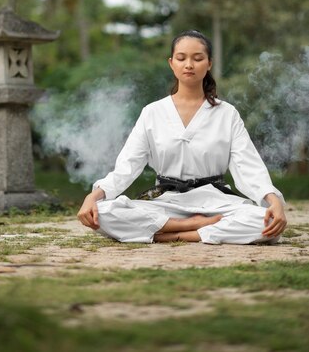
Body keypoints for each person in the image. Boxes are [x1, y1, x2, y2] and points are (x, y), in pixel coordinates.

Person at [77, 30, 287, 244]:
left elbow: (248, 166)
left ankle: (175, 235)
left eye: (197, 58)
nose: (189, 64)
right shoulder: (152, 112)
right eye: (181, 58)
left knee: (265, 221)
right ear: (171, 63)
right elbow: (127, 167)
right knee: (104, 211)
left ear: (209, 63)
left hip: (215, 201)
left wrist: (273, 201)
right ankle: (189, 226)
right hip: (166, 202)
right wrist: (92, 197)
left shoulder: (227, 113)